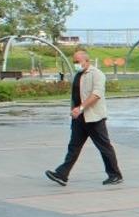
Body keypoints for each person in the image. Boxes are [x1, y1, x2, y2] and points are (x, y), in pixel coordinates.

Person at [44, 50, 123, 187]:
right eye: (74, 62)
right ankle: (62, 174)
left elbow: (96, 94)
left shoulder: (97, 74)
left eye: (77, 62)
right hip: (79, 119)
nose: (76, 64)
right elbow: (76, 95)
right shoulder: (78, 75)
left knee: (104, 147)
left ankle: (115, 175)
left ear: (87, 61)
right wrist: (74, 110)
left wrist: (80, 108)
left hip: (94, 118)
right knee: (73, 147)